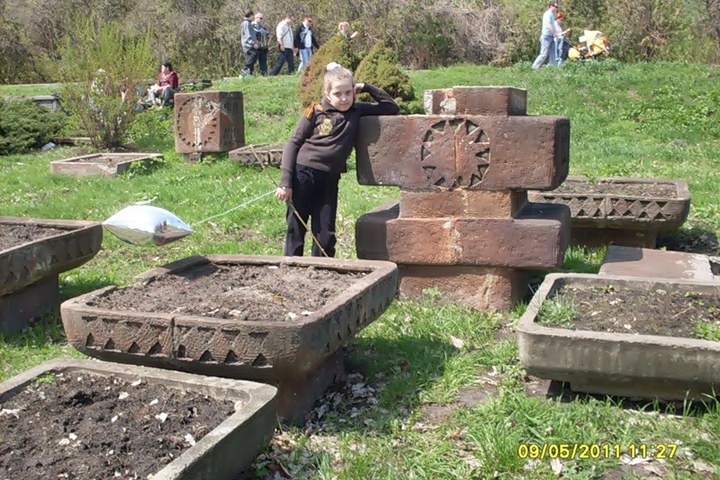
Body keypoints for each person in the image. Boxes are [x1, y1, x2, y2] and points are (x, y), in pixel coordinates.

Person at [275, 63, 400, 257]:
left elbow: (391, 107)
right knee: (296, 228)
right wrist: (285, 182)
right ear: (327, 93)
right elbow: (293, 143)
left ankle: (322, 271)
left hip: (329, 180)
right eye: (338, 94)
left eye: (348, 93)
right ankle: (291, 269)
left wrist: (366, 86)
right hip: (303, 175)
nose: (344, 99)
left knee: (325, 234)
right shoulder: (315, 112)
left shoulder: (356, 110)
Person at [531, 1, 561, 69]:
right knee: (544, 54)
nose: (556, 8)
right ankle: (534, 68)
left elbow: (553, 25)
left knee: (553, 53)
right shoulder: (548, 14)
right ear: (551, 6)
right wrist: (555, 33)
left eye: (557, 7)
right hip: (546, 37)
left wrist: (555, 33)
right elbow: (549, 25)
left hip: (551, 36)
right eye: (556, 7)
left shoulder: (552, 15)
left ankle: (552, 68)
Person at [240, 10, 256, 76]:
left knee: (254, 56)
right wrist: (253, 43)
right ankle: (245, 69)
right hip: (247, 45)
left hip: (250, 43)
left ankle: (249, 73)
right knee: (253, 54)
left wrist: (256, 41)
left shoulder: (249, 23)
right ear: (250, 15)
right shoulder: (246, 23)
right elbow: (248, 35)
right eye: (253, 15)